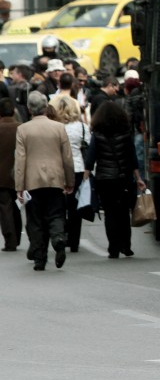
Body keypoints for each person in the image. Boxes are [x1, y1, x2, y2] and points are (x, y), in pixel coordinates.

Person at [14, 91, 75, 271]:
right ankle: (58, 237)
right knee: (56, 213)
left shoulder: (23, 129)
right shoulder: (59, 128)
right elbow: (67, 158)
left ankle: (40, 258)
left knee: (35, 220)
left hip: (32, 181)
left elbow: (20, 159)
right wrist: (70, 180)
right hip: (55, 178)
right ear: (46, 107)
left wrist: (19, 186)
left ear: (29, 109)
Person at [85, 101, 144, 257]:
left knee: (110, 213)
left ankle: (113, 248)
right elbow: (132, 158)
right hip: (123, 178)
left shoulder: (97, 135)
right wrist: (138, 178)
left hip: (104, 179)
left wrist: (86, 177)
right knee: (124, 212)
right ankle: (126, 246)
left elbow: (90, 158)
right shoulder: (126, 134)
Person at [50, 97, 88, 253]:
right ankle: (74, 241)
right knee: (75, 206)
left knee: (58, 204)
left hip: (58, 168)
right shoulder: (82, 127)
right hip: (78, 168)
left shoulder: (54, 127)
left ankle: (61, 234)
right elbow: (88, 145)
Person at [0, 98, 22, 251]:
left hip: (1, 175)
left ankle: (10, 240)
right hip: (19, 173)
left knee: (5, 207)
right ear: (13, 111)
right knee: (17, 206)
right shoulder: (22, 128)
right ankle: (18, 236)